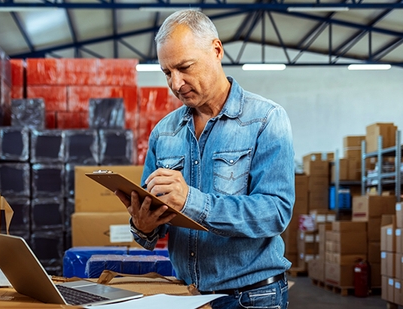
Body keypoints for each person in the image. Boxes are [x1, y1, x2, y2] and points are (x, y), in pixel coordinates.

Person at [114, 9, 295, 309]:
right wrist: (143, 225)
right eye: (167, 72)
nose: (175, 83)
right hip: (189, 297)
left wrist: (191, 201)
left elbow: (275, 212)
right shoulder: (164, 132)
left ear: (216, 50)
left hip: (251, 299)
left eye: (185, 67)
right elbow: (149, 232)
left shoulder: (265, 120)